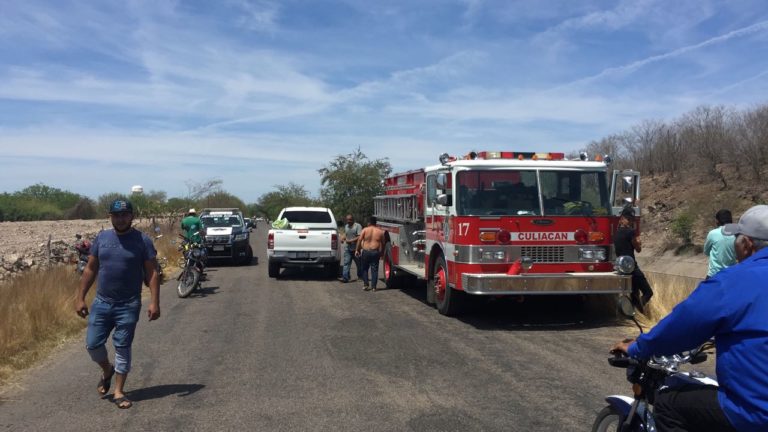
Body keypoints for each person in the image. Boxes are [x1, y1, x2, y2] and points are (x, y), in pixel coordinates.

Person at [611, 205, 768, 432]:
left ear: (747, 244)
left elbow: (682, 326)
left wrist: (637, 347)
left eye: (737, 239)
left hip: (754, 411)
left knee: (668, 403)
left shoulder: (733, 282)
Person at [75, 199, 161, 409]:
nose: (121, 219)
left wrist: (155, 302)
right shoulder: (102, 238)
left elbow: (152, 272)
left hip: (128, 304)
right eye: (116, 215)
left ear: (132, 216)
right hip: (102, 303)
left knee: (122, 347)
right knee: (93, 345)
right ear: (110, 216)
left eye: (125, 215)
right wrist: (80, 297)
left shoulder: (143, 241)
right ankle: (107, 370)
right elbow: (90, 269)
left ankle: (119, 391)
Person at [614, 207, 653, 310]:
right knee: (648, 292)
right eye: (629, 219)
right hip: (632, 267)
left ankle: (635, 314)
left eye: (632, 219)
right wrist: (639, 242)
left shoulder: (616, 233)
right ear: (622, 218)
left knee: (634, 295)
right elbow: (638, 249)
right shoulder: (630, 232)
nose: (631, 221)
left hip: (622, 268)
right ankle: (637, 310)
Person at [703, 209, 737, 279]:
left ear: (717, 221)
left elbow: (706, 252)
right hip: (731, 274)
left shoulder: (712, 233)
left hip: (714, 275)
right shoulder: (736, 234)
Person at [355, 216, 385, 291]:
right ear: (376, 223)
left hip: (366, 251)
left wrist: (357, 250)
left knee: (364, 268)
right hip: (375, 252)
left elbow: (359, 240)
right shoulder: (380, 231)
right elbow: (383, 243)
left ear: (369, 222)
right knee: (374, 270)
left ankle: (366, 284)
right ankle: (374, 287)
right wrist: (382, 253)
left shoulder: (365, 230)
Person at [339, 214, 363, 283]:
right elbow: (345, 234)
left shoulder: (357, 226)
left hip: (356, 249)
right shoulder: (346, 226)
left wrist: (351, 241)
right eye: (347, 220)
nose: (348, 221)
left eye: (350, 220)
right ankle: (345, 278)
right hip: (348, 249)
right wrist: (342, 238)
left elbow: (359, 236)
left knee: (359, 264)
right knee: (346, 263)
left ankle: (360, 277)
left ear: (353, 219)